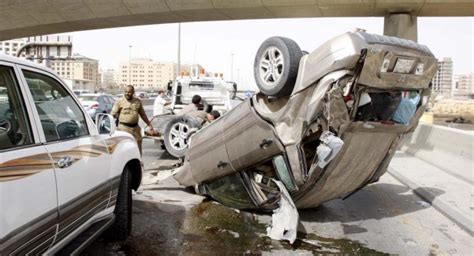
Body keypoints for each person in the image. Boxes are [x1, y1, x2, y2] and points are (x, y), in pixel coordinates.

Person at [111, 85, 153, 155]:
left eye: (129, 92)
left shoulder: (137, 101)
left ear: (133, 92)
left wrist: (149, 124)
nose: (127, 93)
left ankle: (139, 163)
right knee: (124, 147)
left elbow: (143, 114)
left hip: (135, 128)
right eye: (126, 92)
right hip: (123, 128)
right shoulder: (119, 101)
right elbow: (112, 115)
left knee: (138, 145)